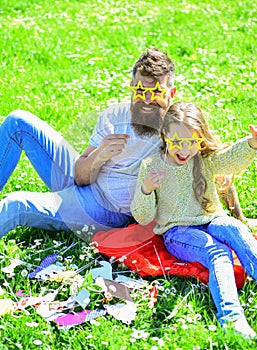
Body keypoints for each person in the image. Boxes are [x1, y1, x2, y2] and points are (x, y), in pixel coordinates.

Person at [0, 48, 252, 238]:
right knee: (17, 120)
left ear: (171, 94)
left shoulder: (178, 129)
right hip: (86, 182)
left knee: (15, 204)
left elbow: (217, 168)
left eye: (156, 93)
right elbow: (79, 175)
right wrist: (99, 156)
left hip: (102, 208)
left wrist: (239, 218)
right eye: (140, 92)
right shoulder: (114, 116)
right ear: (131, 87)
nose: (147, 100)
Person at [131, 102, 257, 338]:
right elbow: (142, 215)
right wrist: (146, 190)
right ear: (165, 133)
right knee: (218, 252)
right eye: (177, 142)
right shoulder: (151, 166)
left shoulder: (203, 159)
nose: (184, 149)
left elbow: (231, 159)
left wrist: (252, 144)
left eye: (192, 142)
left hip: (211, 219)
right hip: (178, 232)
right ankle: (232, 319)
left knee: (233, 227)